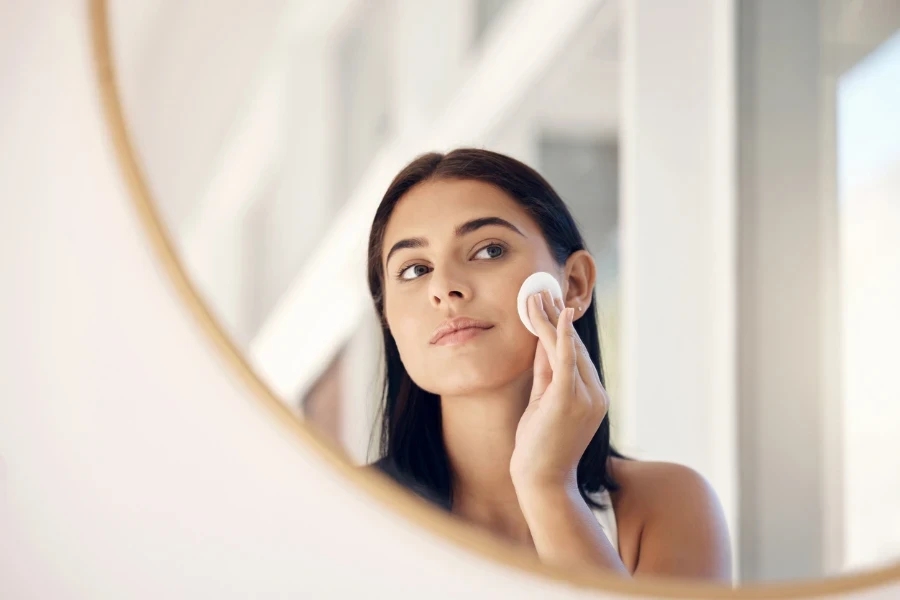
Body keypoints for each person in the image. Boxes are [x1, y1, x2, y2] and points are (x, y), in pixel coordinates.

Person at [365, 148, 731, 582]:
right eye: (413, 270)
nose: (444, 287)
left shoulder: (668, 506)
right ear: (387, 316)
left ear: (573, 284)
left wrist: (549, 486)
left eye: (488, 250)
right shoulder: (340, 513)